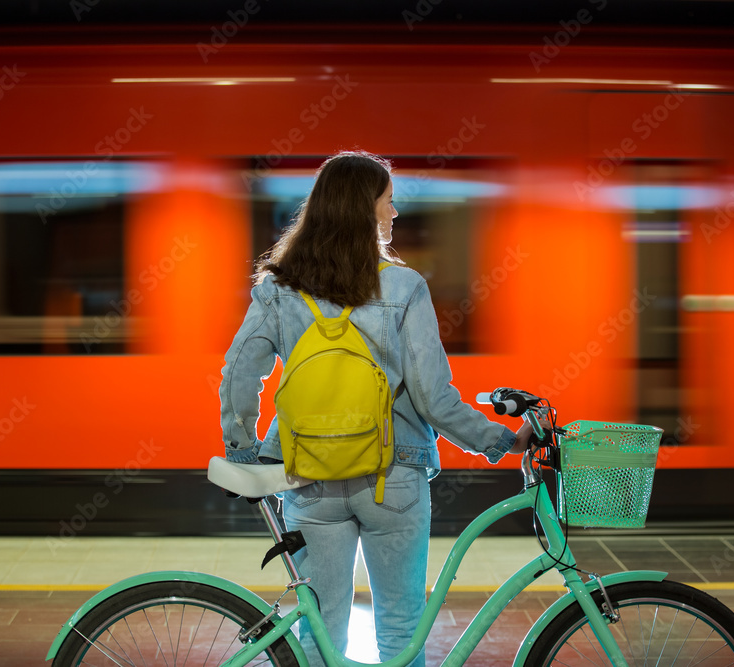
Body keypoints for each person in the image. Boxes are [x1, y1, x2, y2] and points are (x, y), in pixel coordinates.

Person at [219, 150, 536, 667]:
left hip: (307, 476)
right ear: (365, 210)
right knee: (402, 628)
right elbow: (434, 397)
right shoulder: (405, 287)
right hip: (394, 477)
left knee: (320, 632)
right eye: (388, 203)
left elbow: (238, 374)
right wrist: (500, 439)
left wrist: (244, 451)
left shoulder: (277, 290)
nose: (395, 214)